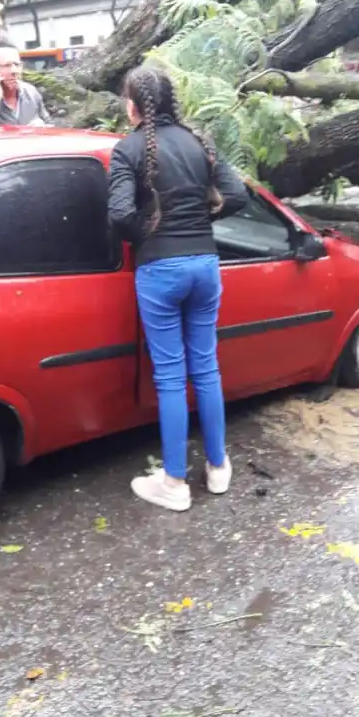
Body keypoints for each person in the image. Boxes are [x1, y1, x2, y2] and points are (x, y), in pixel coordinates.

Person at [108, 66, 248, 512]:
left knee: (170, 376)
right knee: (206, 369)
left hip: (160, 270)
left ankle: (173, 483)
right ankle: (218, 468)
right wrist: (198, 223)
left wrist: (150, 234)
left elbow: (118, 215)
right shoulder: (198, 141)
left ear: (132, 106)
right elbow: (239, 195)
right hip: (205, 265)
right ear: (172, 101)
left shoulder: (127, 149)